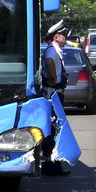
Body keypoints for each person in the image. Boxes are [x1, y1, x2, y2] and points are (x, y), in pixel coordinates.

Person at [40, 20, 71, 176]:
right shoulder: (52, 50)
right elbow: (49, 61)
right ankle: (50, 164)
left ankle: (52, 163)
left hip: (55, 94)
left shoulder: (56, 49)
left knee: (55, 128)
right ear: (56, 36)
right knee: (54, 129)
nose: (66, 37)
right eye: (64, 34)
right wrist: (53, 78)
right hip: (53, 94)